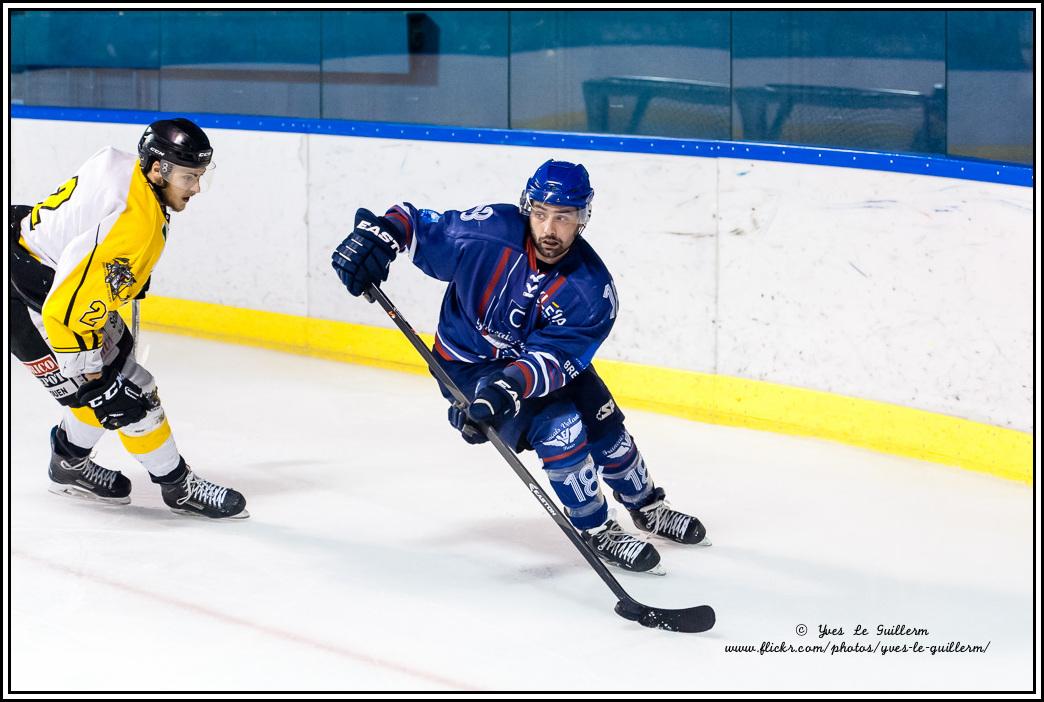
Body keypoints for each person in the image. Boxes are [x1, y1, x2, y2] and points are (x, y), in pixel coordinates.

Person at [331, 159, 707, 572]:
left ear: (582, 218)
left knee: (605, 425)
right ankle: (599, 529)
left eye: (563, 217)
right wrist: (380, 235)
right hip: (468, 365)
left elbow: (555, 359)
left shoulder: (591, 291)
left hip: (533, 365)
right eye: (541, 213)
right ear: (527, 207)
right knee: (560, 428)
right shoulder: (488, 232)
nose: (549, 229)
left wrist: (508, 388)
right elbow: (413, 222)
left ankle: (648, 507)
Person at [9, 118, 248, 519]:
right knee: (127, 393)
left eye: (200, 176)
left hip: (31, 264)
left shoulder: (120, 163)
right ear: (157, 169)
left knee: (114, 373)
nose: (196, 188)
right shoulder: (135, 223)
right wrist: (94, 379)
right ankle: (178, 486)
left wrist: (121, 275)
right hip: (32, 302)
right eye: (189, 177)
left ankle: (68, 463)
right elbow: (63, 310)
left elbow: (81, 224)